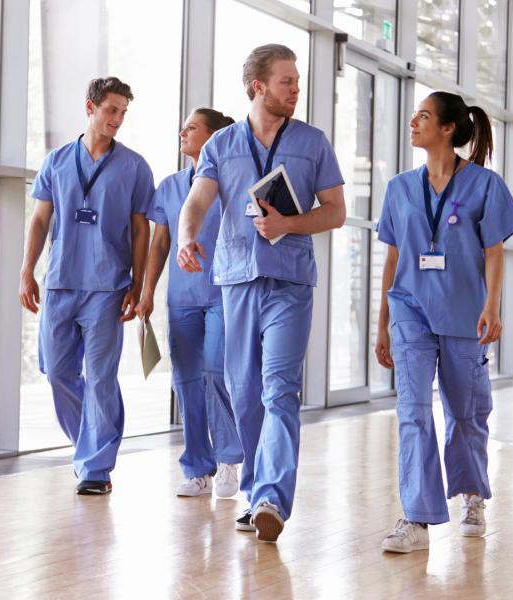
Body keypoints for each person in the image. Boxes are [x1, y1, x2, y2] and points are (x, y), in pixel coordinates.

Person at [176, 44, 346, 542]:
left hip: (290, 283)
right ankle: (254, 492)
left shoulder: (313, 143)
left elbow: (334, 210)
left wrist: (289, 223)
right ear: (258, 87)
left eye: (296, 81)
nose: (296, 89)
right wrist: (187, 237)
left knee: (279, 389)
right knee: (245, 393)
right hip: (236, 281)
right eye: (286, 81)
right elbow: (196, 202)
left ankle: (272, 495)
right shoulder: (221, 145)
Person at [375, 92, 513, 553]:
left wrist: (492, 306)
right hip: (410, 311)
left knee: (465, 413)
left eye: (423, 115)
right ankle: (417, 518)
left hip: (464, 312)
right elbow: (394, 255)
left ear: (447, 129)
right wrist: (382, 322)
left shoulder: (484, 185)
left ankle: (473, 494)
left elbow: (494, 250)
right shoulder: (400, 187)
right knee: (413, 412)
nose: (413, 121)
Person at [19, 76, 154, 495]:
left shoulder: (134, 166)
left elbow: (140, 229)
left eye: (123, 113)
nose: (117, 119)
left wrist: (137, 282)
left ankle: (96, 467)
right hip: (61, 282)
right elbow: (41, 219)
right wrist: (27, 270)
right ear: (90, 107)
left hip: (108, 286)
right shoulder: (57, 161)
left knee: (100, 378)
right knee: (57, 371)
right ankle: (88, 446)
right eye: (111, 110)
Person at [135, 108, 244, 500]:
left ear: (215, 137)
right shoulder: (169, 186)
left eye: (193, 127)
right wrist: (147, 292)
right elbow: (160, 243)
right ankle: (198, 467)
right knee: (186, 382)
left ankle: (230, 457)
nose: (183, 131)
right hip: (181, 298)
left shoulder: (232, 184)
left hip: (223, 293)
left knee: (215, 370)